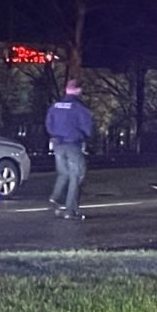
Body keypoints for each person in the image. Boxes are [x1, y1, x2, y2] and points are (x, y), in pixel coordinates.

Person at [46, 79, 93, 220]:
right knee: (77, 175)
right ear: (78, 91)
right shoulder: (79, 108)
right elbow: (88, 129)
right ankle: (70, 210)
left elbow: (48, 125)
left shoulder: (55, 106)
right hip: (73, 145)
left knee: (64, 173)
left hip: (57, 145)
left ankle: (56, 197)